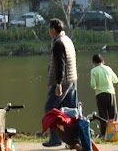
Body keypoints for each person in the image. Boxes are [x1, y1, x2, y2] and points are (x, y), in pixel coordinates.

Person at [42, 19, 77, 148]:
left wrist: (58, 84)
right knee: (70, 111)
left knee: (51, 109)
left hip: (63, 81)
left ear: (53, 30)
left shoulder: (58, 43)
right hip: (72, 80)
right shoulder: (67, 40)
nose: (48, 31)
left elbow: (61, 65)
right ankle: (73, 140)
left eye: (49, 29)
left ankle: (55, 139)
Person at [88, 53, 118, 138]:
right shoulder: (108, 68)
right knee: (113, 114)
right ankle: (115, 133)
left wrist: (97, 87)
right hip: (111, 93)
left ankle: (104, 134)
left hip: (100, 94)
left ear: (93, 62)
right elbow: (116, 80)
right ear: (103, 61)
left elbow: (93, 85)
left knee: (103, 115)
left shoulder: (93, 71)